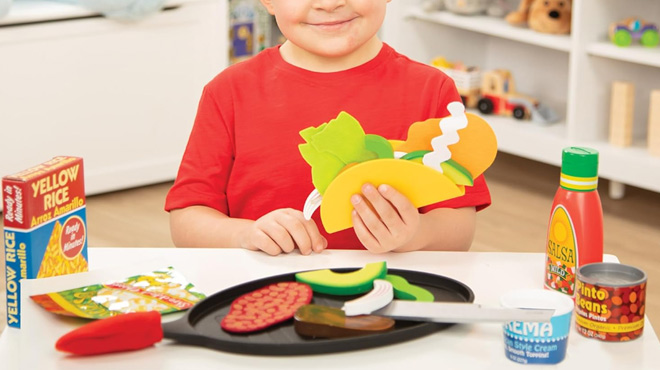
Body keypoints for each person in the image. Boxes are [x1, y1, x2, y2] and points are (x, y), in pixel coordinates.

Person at [165, 0, 491, 255]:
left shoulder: (432, 90)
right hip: (261, 287)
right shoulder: (228, 92)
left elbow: (459, 228)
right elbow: (187, 219)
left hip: (392, 290)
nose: (329, 3)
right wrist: (244, 234)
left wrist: (414, 234)